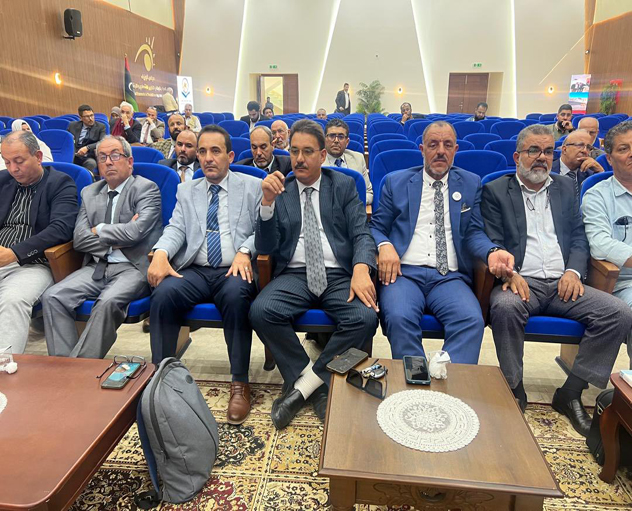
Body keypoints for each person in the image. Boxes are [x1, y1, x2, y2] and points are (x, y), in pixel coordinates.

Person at [481, 124, 632, 435]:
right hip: (520, 282)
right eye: (534, 151)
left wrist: (573, 271)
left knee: (618, 312)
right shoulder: (496, 190)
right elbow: (492, 240)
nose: (542, 157)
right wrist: (511, 273)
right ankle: (514, 388)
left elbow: (578, 237)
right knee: (505, 307)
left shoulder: (564, 187)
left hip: (564, 283)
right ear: (517, 156)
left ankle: (571, 392)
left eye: (548, 151)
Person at [249, 119, 379, 430]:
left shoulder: (342, 185)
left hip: (337, 274)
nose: (299, 159)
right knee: (260, 311)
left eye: (308, 152)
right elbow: (264, 246)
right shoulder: (280, 189)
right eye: (294, 151)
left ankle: (302, 387)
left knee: (364, 318)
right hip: (295, 273)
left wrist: (361, 267)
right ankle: (319, 385)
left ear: (322, 155)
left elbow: (362, 233)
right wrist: (266, 205)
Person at [370, 121, 513, 366]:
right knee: (399, 317)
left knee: (471, 321)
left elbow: (474, 232)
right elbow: (376, 227)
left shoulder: (470, 183)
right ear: (422, 149)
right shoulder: (397, 182)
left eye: (447, 145)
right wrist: (385, 245)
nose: (440, 151)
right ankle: (415, 378)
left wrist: (492, 251)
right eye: (433, 145)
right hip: (404, 274)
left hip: (449, 277)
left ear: (455, 150)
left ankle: (446, 377)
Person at [148, 125, 262, 425]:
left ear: (230, 156)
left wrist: (245, 250)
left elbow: (263, 230)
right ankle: (161, 377)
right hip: (195, 269)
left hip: (233, 268)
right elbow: (176, 228)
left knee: (237, 297)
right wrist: (161, 252)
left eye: (215, 151)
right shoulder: (187, 190)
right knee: (163, 294)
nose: (208, 158)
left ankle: (239, 382)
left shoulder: (252, 186)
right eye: (202, 151)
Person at [42, 136, 162, 359]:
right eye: (102, 157)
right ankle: (64, 366)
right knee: (53, 296)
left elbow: (136, 233)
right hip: (96, 266)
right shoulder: (89, 192)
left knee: (107, 302)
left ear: (129, 161)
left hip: (133, 267)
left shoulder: (146, 189)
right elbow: (80, 239)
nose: (108, 162)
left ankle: (78, 368)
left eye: (115, 155)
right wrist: (117, 237)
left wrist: (99, 229)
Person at [0, 131, 78, 354]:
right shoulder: (3, 180)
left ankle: (4, 365)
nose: (13, 169)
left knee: (13, 300)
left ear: (38, 156)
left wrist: (14, 253)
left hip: (35, 263)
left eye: (19, 161)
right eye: (7, 162)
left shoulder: (60, 183)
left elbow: (61, 229)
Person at [582, 120, 632, 365]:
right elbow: (600, 244)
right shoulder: (597, 195)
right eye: (624, 149)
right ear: (609, 159)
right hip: (622, 282)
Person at [323, 118, 373, 204]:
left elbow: (368, 193)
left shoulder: (358, 158)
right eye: (332, 136)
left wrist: (352, 204)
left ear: (347, 142)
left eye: (341, 137)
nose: (336, 140)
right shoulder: (316, 161)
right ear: (325, 140)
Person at [551, 129, 604, 198]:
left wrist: (600, 173)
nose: (585, 151)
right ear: (564, 149)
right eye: (580, 145)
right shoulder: (548, 171)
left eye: (588, 148)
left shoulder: (590, 174)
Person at [67, 105, 106, 173]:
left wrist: (87, 148)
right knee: (65, 163)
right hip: (74, 155)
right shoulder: (72, 125)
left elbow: (102, 142)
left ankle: (85, 179)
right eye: (87, 116)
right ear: (81, 118)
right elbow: (67, 140)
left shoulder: (100, 127)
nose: (90, 119)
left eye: (92, 115)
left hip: (89, 156)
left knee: (91, 163)